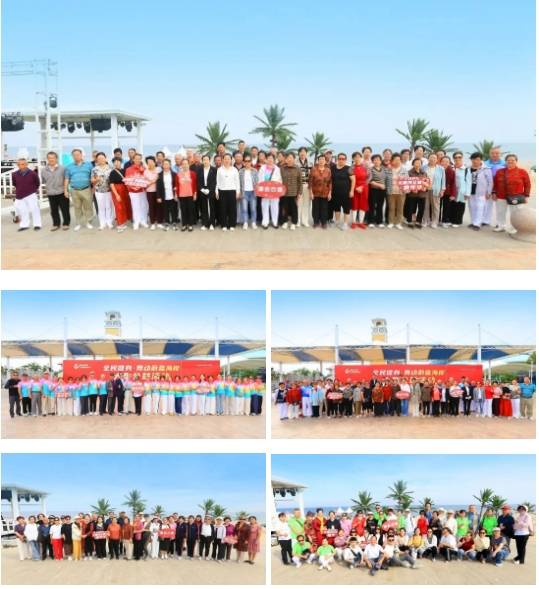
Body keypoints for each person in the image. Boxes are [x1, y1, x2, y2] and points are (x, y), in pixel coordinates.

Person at [492, 154, 531, 233]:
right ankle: (501, 226)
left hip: (516, 197)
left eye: (512, 160)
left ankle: (514, 228)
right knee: (500, 212)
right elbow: (495, 183)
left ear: (516, 161)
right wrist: (494, 193)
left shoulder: (522, 171)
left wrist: (526, 196)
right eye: (508, 160)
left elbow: (527, 184)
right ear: (505, 161)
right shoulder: (499, 171)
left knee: (515, 213)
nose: (510, 161)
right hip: (501, 196)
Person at [65, 149, 94, 230]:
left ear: (81, 155)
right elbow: (67, 178)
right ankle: (79, 223)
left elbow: (92, 176)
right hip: (74, 190)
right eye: (74, 155)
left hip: (86, 189)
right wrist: (65, 190)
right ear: (72, 156)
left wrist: (93, 187)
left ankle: (88, 222)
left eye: (78, 154)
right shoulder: (69, 166)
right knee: (77, 207)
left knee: (88, 207)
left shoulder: (89, 165)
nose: (76, 156)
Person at [12, 158, 42, 232]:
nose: (21, 166)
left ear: (27, 164)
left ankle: (37, 224)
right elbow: (15, 183)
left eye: (23, 164)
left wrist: (33, 190)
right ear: (17, 165)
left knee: (35, 209)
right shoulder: (14, 174)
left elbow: (37, 183)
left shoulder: (33, 173)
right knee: (23, 210)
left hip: (31, 193)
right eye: (19, 164)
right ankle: (24, 225)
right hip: (20, 194)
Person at [42, 151, 69, 230]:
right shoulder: (44, 170)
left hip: (61, 191)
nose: (51, 159)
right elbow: (43, 180)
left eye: (53, 158)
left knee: (65, 209)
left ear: (56, 158)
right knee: (53, 210)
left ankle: (66, 223)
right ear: (47, 159)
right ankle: (56, 224)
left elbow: (66, 179)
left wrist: (66, 190)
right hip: (51, 192)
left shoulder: (63, 168)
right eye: (49, 158)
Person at [467, 152, 494, 231]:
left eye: (477, 159)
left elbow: (490, 182)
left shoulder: (486, 169)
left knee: (480, 207)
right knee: (472, 207)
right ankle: (473, 222)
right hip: (471, 191)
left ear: (481, 160)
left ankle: (477, 223)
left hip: (481, 192)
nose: (475, 161)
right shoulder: (468, 168)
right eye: (473, 159)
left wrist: (489, 192)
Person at [125, 153, 150, 230]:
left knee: (143, 206)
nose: (138, 160)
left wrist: (144, 170)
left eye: (139, 159)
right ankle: (136, 221)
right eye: (136, 159)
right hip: (133, 191)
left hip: (142, 190)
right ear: (133, 159)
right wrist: (132, 187)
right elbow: (127, 180)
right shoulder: (129, 169)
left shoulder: (144, 168)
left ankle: (143, 221)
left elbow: (147, 178)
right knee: (135, 206)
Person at [329, 153, 354, 230]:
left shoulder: (348, 168)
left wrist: (351, 191)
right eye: (339, 159)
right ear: (337, 159)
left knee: (346, 208)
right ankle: (337, 221)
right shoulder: (333, 168)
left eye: (343, 159)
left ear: (345, 160)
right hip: (335, 192)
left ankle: (345, 223)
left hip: (346, 193)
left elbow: (353, 180)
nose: (341, 160)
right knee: (336, 208)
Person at [216, 153, 240, 231]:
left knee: (232, 208)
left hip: (232, 191)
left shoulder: (234, 170)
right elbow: (217, 181)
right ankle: (224, 225)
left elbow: (237, 181)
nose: (226, 160)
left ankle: (232, 224)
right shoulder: (219, 169)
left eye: (228, 159)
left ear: (231, 160)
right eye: (225, 159)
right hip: (222, 191)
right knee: (223, 208)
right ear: (223, 160)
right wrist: (216, 192)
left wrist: (238, 192)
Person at [384, 153, 408, 229]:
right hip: (390, 192)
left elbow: (407, 180)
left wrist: (407, 188)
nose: (397, 161)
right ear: (392, 161)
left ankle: (398, 223)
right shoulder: (387, 170)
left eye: (399, 160)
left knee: (400, 208)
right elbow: (384, 180)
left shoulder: (404, 170)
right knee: (391, 207)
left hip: (401, 192)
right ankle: (391, 222)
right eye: (395, 160)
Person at [422, 152, 446, 228]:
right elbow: (421, 178)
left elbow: (443, 180)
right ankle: (425, 220)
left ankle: (435, 222)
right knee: (425, 206)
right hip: (425, 190)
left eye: (434, 158)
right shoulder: (423, 167)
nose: (432, 159)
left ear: (437, 159)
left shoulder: (441, 168)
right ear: (428, 158)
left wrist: (442, 190)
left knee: (436, 206)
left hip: (436, 190)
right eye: (431, 157)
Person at [90, 152, 114, 230]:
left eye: (102, 158)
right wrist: (96, 179)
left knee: (109, 206)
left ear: (105, 158)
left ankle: (109, 222)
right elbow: (92, 180)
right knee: (101, 207)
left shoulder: (111, 168)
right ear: (97, 160)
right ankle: (102, 223)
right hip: (99, 190)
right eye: (99, 159)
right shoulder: (94, 169)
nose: (101, 160)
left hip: (109, 190)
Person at [309, 154, 332, 229]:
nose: (321, 161)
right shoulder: (313, 169)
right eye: (320, 159)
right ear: (318, 161)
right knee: (315, 208)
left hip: (325, 193)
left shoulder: (328, 170)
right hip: (315, 193)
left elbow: (330, 182)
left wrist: (330, 193)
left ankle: (323, 222)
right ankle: (316, 222)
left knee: (324, 208)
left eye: (323, 159)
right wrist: (311, 193)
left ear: (325, 161)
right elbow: (310, 182)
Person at [279, 152, 302, 230]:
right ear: (285, 159)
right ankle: (285, 222)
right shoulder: (282, 168)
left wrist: (300, 192)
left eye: (291, 158)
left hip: (294, 192)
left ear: (294, 159)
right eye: (288, 158)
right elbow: (279, 180)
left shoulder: (297, 168)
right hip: (284, 192)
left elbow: (300, 181)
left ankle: (294, 222)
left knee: (294, 208)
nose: (289, 159)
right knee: (285, 208)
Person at [174, 158, 197, 232]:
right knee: (183, 210)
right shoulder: (178, 174)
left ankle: (190, 224)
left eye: (186, 164)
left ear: (188, 164)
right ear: (181, 165)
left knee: (190, 209)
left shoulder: (192, 173)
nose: (185, 165)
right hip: (181, 195)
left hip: (190, 194)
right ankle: (184, 224)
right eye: (183, 164)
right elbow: (176, 185)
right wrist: (176, 194)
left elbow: (195, 184)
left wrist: (195, 193)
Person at [155, 158, 178, 231]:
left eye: (167, 164)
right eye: (164, 164)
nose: (166, 166)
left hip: (172, 195)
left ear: (170, 165)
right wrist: (158, 196)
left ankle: (174, 222)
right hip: (164, 195)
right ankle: (167, 222)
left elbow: (176, 185)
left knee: (174, 209)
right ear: (162, 165)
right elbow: (158, 187)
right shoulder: (159, 175)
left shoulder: (174, 174)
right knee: (165, 210)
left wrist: (176, 194)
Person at [196, 154, 217, 230]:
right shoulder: (199, 170)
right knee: (203, 207)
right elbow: (198, 181)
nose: (205, 161)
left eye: (207, 160)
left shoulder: (214, 170)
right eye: (204, 160)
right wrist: (201, 189)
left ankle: (212, 223)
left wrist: (209, 189)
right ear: (202, 161)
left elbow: (214, 181)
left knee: (212, 207)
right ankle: (204, 223)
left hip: (210, 190)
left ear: (209, 160)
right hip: (202, 190)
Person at [349, 151, 370, 229]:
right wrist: (355, 188)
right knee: (354, 205)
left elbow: (369, 178)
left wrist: (362, 186)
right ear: (353, 158)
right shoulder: (351, 168)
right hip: (354, 187)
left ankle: (361, 222)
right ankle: (354, 222)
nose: (357, 158)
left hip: (364, 187)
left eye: (358, 157)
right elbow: (350, 179)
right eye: (355, 157)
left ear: (361, 158)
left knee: (363, 205)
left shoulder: (366, 167)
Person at [239, 154, 259, 229]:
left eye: (249, 161)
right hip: (244, 192)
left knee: (253, 208)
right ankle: (245, 222)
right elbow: (239, 183)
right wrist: (239, 192)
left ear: (251, 162)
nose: (247, 162)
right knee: (244, 209)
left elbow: (257, 181)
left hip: (253, 192)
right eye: (246, 161)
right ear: (244, 162)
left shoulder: (255, 171)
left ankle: (253, 222)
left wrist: (257, 192)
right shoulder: (241, 171)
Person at [144, 155, 163, 230]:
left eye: (152, 162)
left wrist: (154, 180)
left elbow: (161, 177)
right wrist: (152, 182)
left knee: (159, 206)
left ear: (155, 162)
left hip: (158, 191)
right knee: (151, 207)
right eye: (149, 162)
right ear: (147, 163)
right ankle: (152, 222)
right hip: (150, 191)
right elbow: (145, 182)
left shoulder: (159, 169)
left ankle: (159, 222)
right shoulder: (145, 172)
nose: (150, 163)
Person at [367, 154, 386, 227]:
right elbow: (370, 180)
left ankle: (379, 221)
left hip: (382, 191)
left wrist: (383, 186)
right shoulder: (370, 169)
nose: (376, 161)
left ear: (381, 161)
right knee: (372, 205)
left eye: (378, 160)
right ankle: (371, 221)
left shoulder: (384, 168)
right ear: (372, 161)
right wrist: (380, 185)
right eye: (374, 160)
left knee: (380, 206)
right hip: (373, 190)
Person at [296, 147, 312, 227]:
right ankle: (298, 220)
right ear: (298, 153)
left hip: (307, 185)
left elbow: (312, 176)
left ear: (306, 153)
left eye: (304, 151)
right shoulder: (295, 163)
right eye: (301, 152)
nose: (302, 153)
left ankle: (305, 220)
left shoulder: (310, 163)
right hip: (298, 185)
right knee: (299, 203)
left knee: (307, 203)